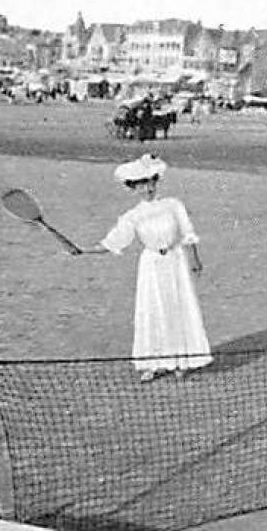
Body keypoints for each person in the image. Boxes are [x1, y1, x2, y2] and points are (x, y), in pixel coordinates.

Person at [77, 154, 212, 381]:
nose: (148, 188)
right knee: (152, 309)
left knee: (178, 307)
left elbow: (188, 233)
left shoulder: (173, 205)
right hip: (151, 266)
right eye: (142, 184)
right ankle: (153, 363)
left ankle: (181, 361)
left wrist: (194, 259)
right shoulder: (132, 216)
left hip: (176, 262)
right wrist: (82, 250)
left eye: (152, 182)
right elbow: (112, 242)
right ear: (133, 188)